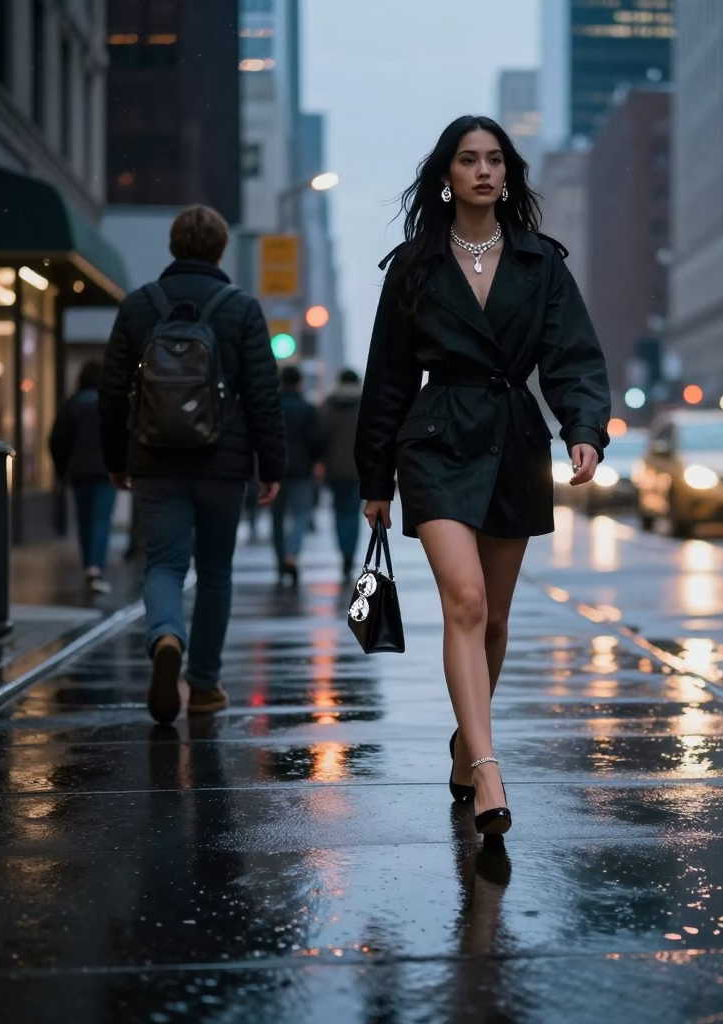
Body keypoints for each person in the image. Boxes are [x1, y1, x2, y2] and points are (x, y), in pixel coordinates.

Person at [355, 115, 611, 836]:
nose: (483, 171)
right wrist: (375, 477)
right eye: (468, 160)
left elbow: (574, 358)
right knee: (464, 603)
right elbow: (388, 379)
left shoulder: (541, 262)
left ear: (508, 173)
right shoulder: (413, 267)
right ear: (446, 176)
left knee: (493, 618)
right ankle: (491, 771)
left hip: (513, 440)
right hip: (436, 440)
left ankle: (468, 743)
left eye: (494, 159)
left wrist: (584, 430)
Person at [99, 204, 286, 724]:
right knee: (216, 572)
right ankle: (203, 686)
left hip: (155, 460)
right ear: (221, 249)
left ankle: (164, 637)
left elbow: (112, 391)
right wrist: (271, 466)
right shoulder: (240, 308)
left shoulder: (140, 306)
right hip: (223, 462)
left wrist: (117, 459)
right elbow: (263, 395)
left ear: (173, 247)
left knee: (163, 563)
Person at [49, 361, 116, 594]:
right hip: (106, 471)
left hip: (78, 472)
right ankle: (96, 568)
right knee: (100, 521)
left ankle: (88, 564)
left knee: (84, 521)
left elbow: (57, 440)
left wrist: (61, 469)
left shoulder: (72, 405)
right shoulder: (108, 404)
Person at [272, 365, 323, 586]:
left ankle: (280, 559)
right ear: (300, 382)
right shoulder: (307, 409)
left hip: (275, 468)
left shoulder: (273, 407)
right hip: (301, 469)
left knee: (277, 517)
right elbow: (315, 440)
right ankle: (292, 554)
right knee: (301, 514)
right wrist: (316, 462)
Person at [317, 367, 364, 582]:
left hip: (334, 470)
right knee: (353, 515)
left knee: (338, 514)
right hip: (357, 470)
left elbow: (319, 436)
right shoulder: (365, 405)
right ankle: (349, 555)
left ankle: (343, 552)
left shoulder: (329, 405)